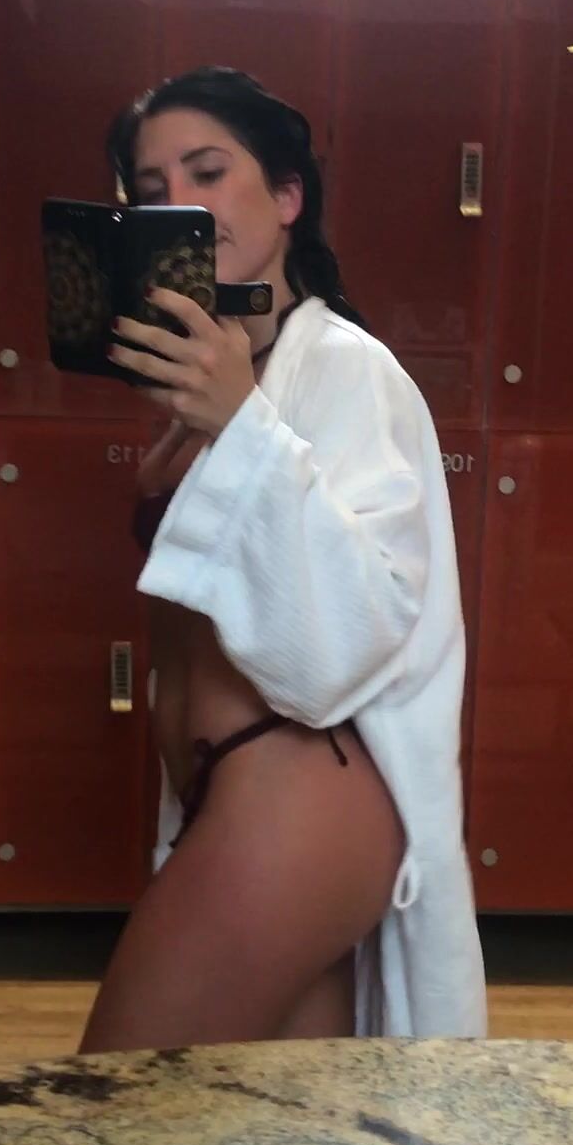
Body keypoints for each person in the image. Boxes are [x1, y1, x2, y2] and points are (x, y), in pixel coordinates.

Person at [79, 67, 486, 1051]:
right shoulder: (229, 377)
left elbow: (348, 636)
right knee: (278, 1127)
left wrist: (240, 427)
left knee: (115, 1099)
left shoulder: (348, 369)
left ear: (289, 196)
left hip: (298, 787)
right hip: (233, 788)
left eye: (209, 170)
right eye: (152, 186)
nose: (180, 201)